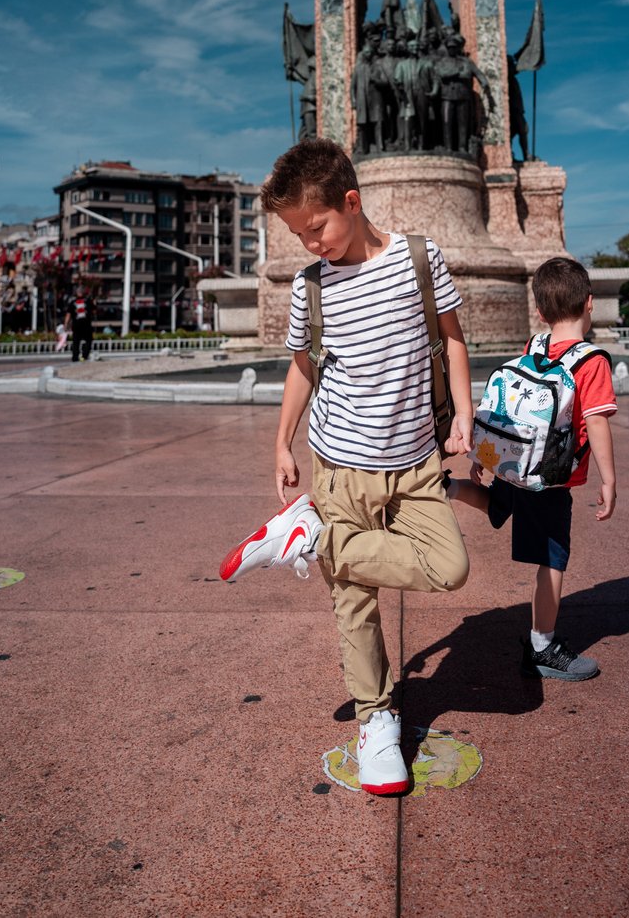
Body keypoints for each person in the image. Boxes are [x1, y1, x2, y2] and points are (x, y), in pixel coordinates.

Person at [219, 138, 473, 796]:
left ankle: (316, 540)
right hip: (340, 465)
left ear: (351, 203)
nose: (311, 243)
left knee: (450, 567)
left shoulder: (420, 259)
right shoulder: (312, 287)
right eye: (299, 234)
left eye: (317, 228)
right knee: (353, 603)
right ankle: (376, 720)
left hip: (415, 463)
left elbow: (452, 337)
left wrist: (464, 416)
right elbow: (302, 367)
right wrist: (282, 443)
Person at [446, 256, 617, 681]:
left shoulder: (534, 346)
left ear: (539, 312)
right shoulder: (591, 361)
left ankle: (443, 487)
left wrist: (484, 458)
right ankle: (543, 645)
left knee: (497, 505)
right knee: (553, 560)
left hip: (513, 460)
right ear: (590, 304)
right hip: (550, 478)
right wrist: (609, 479)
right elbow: (595, 421)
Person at [68, 287, 94, 363]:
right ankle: (84, 355)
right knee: (88, 340)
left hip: (76, 325)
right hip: (86, 325)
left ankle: (75, 357)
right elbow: (94, 311)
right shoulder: (88, 301)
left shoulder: (73, 302)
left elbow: (68, 314)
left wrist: (66, 324)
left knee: (76, 341)